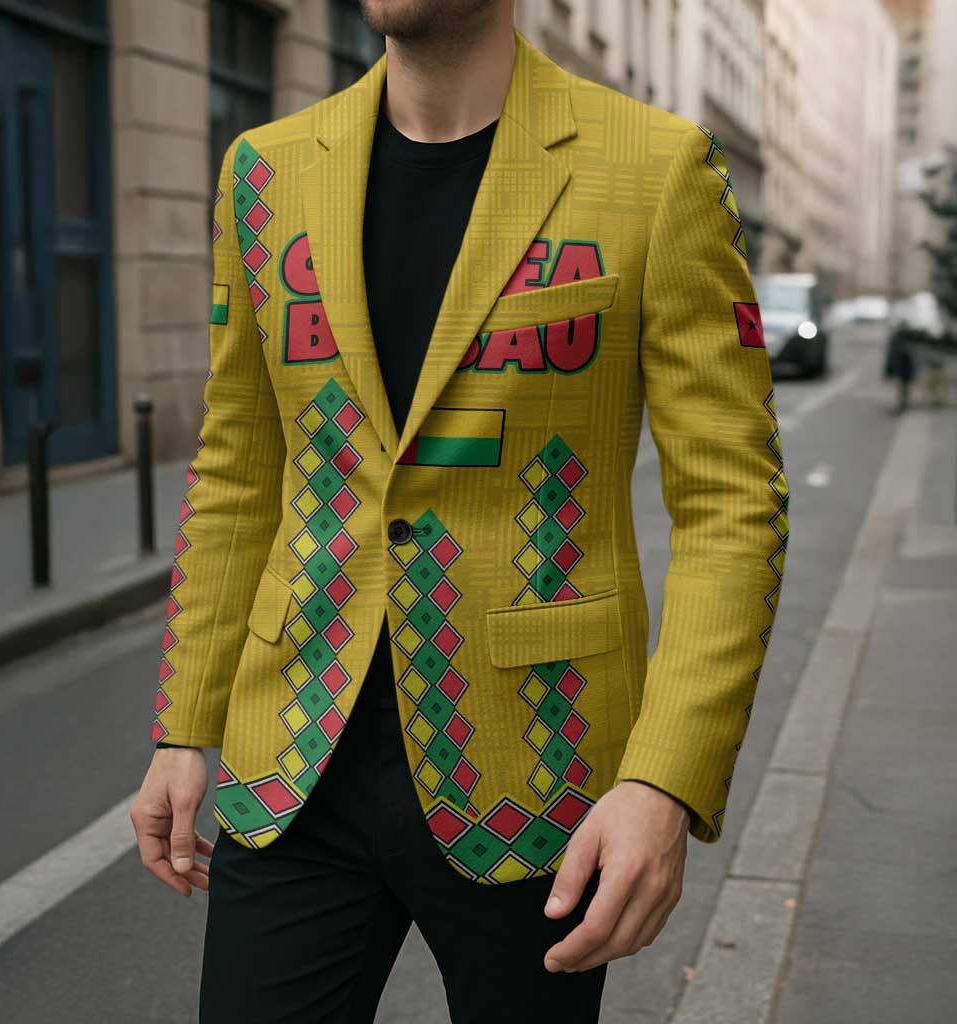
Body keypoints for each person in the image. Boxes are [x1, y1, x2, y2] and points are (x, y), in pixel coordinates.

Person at [130, 2, 790, 1020]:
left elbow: (729, 504)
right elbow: (238, 470)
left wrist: (663, 780)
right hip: (292, 759)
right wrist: (185, 723)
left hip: (541, 774)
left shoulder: (655, 171)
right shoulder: (263, 171)